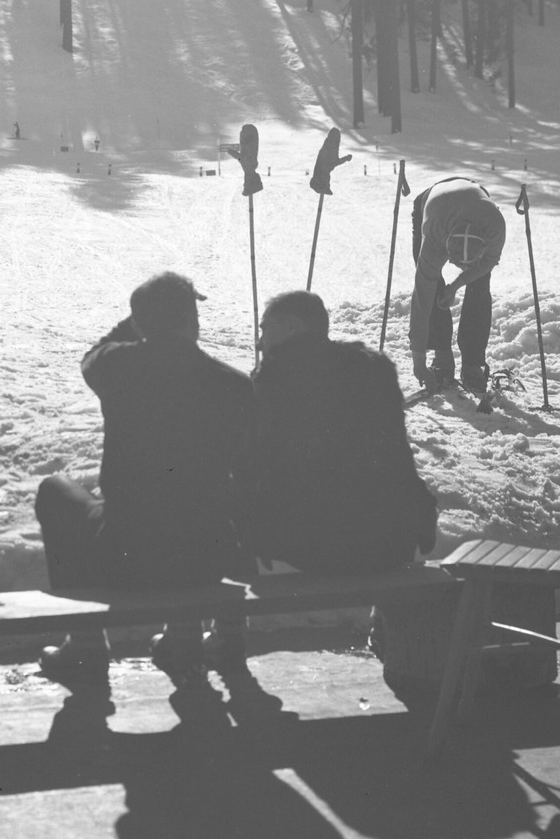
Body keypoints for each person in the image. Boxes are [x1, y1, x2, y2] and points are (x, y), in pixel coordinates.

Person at [34, 272, 253, 704]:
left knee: (54, 492)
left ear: (140, 323)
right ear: (193, 319)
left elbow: (93, 355)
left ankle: (85, 644)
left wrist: (134, 325)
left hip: (126, 554)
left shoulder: (118, 368)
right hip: (206, 559)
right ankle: (184, 637)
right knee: (196, 504)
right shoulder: (233, 384)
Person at [242, 291, 437, 578]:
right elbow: (398, 457)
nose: (260, 342)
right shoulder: (374, 368)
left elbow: (252, 463)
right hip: (386, 538)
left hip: (307, 546)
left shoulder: (272, 378)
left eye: (265, 329)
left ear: (293, 326)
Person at [409, 177, 506, 393]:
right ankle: (442, 354)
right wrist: (418, 362)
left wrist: (457, 284)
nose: (461, 269)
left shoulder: (494, 227)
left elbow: (487, 263)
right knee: (432, 285)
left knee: (480, 285)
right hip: (431, 205)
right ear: (445, 250)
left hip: (475, 199)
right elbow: (421, 299)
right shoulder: (434, 237)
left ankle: (472, 363)